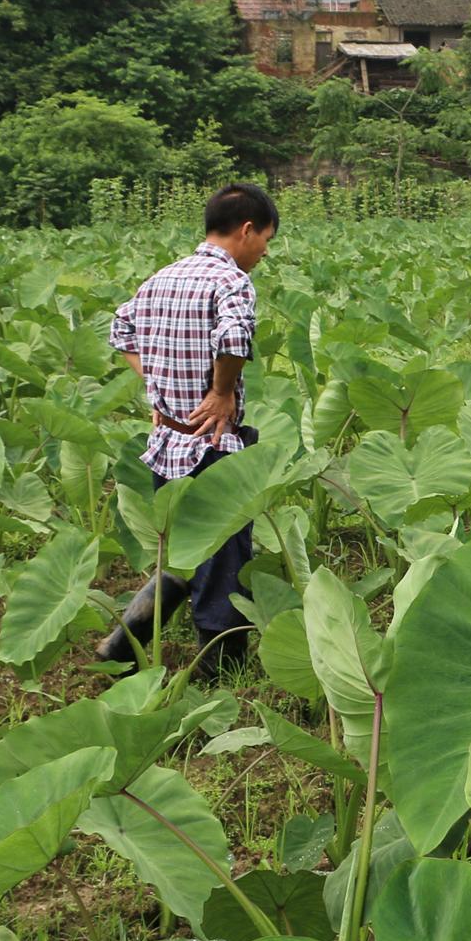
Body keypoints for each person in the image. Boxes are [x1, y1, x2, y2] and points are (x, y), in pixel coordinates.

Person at [96, 183, 277, 678]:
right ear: (246, 230)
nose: (264, 251)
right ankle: (219, 666)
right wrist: (221, 393)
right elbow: (235, 338)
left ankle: (123, 643)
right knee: (221, 553)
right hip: (210, 443)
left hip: (168, 440)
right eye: (265, 239)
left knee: (185, 546)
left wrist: (156, 384)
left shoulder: (162, 277)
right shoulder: (230, 281)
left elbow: (121, 332)